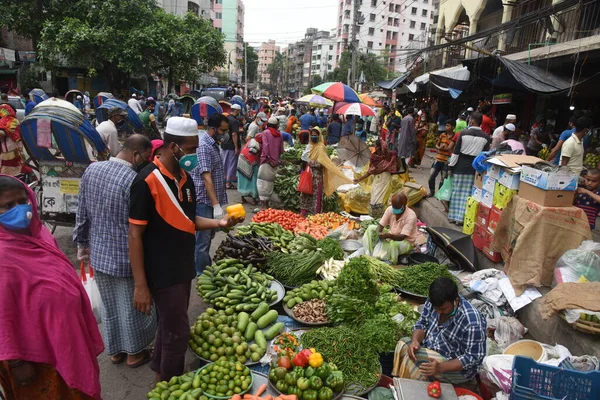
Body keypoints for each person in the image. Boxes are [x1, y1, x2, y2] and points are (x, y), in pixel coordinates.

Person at [128, 117, 242, 383]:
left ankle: (160, 372)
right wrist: (140, 285)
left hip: (182, 268)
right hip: (161, 271)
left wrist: (220, 222)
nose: (192, 155)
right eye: (189, 150)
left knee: (169, 326)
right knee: (177, 332)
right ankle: (169, 385)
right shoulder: (147, 181)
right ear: (171, 146)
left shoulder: (186, 180)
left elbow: (189, 220)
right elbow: (134, 235)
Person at [0, 175, 104, 399]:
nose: (19, 210)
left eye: (22, 201)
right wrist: (17, 362)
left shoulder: (41, 234)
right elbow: (3, 313)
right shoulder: (3, 255)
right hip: (34, 354)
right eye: (8, 206)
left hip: (66, 337)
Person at [73, 135, 156, 369]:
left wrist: (82, 245)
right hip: (126, 257)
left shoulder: (92, 170)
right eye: (146, 158)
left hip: (99, 255)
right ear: (137, 155)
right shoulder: (134, 180)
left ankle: (115, 351)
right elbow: (139, 227)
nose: (146, 162)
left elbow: (82, 211)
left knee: (110, 305)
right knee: (132, 307)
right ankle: (134, 354)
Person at [393, 277, 486, 384]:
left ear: (455, 301)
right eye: (436, 308)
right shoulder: (433, 301)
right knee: (403, 344)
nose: (438, 312)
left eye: (443, 309)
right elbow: (422, 324)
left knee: (417, 360)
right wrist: (415, 341)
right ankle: (406, 383)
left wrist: (440, 367)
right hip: (432, 349)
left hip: (457, 367)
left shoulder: (472, 322)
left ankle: (416, 388)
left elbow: (473, 357)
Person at [192, 113, 229, 276]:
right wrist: (215, 205)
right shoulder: (204, 146)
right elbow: (206, 177)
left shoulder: (214, 144)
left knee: (208, 236)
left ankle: (202, 267)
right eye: (223, 130)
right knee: (202, 240)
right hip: (204, 200)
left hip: (212, 199)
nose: (225, 133)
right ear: (213, 129)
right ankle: (201, 273)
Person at [448, 112, 490, 224]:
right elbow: (485, 156)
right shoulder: (486, 137)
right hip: (475, 169)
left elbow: (456, 152)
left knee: (457, 192)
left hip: (460, 166)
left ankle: (454, 217)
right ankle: (464, 218)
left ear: (471, 121)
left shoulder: (463, 133)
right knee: (470, 194)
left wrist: (451, 167)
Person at [300, 128, 352, 215]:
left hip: (317, 176)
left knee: (316, 196)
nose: (313, 137)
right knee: (306, 193)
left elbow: (322, 163)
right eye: (312, 135)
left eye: (315, 135)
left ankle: (315, 214)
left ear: (319, 136)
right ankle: (305, 212)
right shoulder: (310, 146)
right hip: (309, 174)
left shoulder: (321, 147)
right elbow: (304, 157)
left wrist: (311, 163)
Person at [355, 139, 398, 217]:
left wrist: (359, 179)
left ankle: (378, 216)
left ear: (379, 147)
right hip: (380, 178)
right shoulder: (382, 157)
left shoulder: (384, 157)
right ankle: (375, 215)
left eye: (375, 145)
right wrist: (359, 179)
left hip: (384, 178)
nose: (374, 147)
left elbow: (370, 171)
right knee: (376, 196)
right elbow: (371, 171)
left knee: (379, 197)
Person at [375, 192, 419, 259]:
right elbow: (381, 225)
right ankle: (372, 249)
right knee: (371, 228)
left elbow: (402, 237)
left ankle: (392, 262)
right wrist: (378, 233)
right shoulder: (390, 209)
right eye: (393, 206)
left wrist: (388, 235)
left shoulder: (411, 216)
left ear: (403, 205)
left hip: (406, 241)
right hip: (392, 235)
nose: (394, 209)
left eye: (397, 207)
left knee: (394, 245)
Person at [257, 117, 284, 208]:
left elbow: (265, 146)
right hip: (275, 162)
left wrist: (268, 158)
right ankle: (267, 203)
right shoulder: (279, 134)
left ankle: (263, 204)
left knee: (262, 182)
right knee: (270, 182)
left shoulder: (266, 133)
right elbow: (281, 149)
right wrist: (276, 160)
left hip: (266, 161)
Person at [428, 120, 455, 197]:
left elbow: (454, 149)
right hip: (438, 158)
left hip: (447, 160)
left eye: (448, 125)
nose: (446, 127)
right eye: (446, 125)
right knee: (431, 176)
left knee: (443, 179)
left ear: (453, 127)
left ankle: (439, 194)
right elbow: (436, 144)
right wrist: (439, 147)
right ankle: (432, 191)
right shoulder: (442, 135)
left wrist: (447, 148)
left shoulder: (454, 137)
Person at [237, 132, 263, 205]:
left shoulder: (251, 141)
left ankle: (242, 198)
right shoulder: (259, 145)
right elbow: (259, 156)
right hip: (251, 162)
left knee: (242, 180)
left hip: (241, 159)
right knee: (253, 180)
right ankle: (254, 199)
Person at [221, 104, 242, 189]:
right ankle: (228, 183)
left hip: (224, 144)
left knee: (225, 163)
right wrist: (236, 147)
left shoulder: (226, 119)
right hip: (231, 146)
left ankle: (224, 180)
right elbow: (234, 134)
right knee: (232, 164)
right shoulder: (234, 121)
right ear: (236, 111)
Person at [0, 104, 25, 176]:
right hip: (17, 147)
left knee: (7, 167)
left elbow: (2, 134)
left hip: (7, 149)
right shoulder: (16, 121)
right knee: (18, 164)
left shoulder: (2, 121)